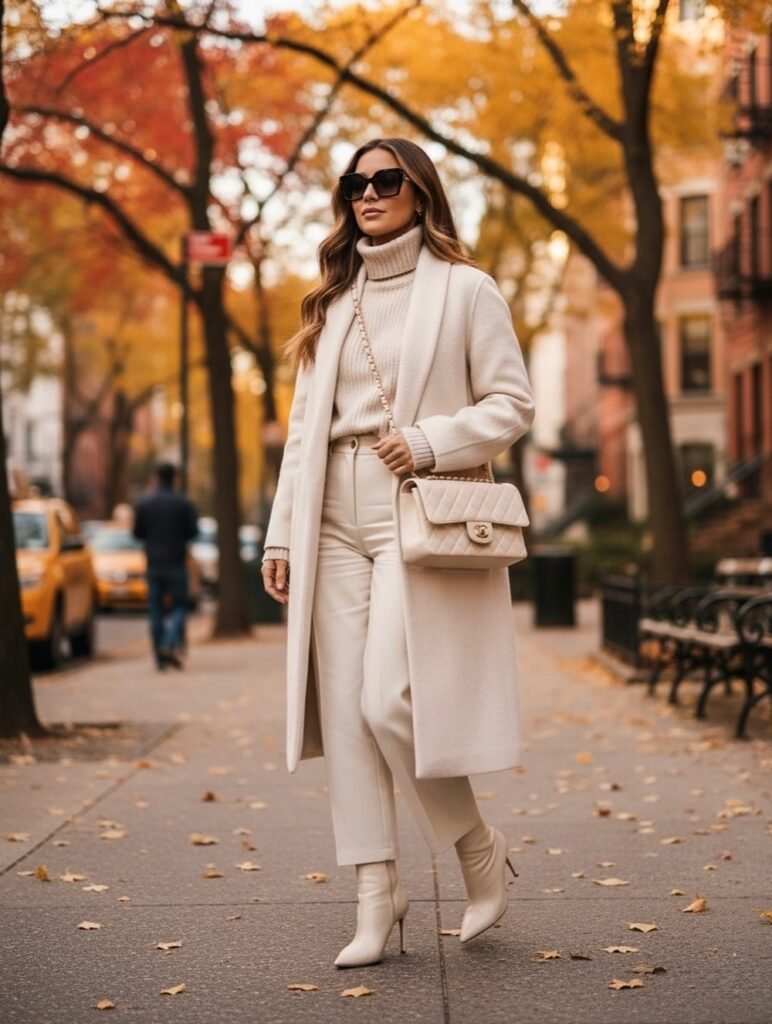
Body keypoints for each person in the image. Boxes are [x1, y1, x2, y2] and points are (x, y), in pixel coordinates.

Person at [261, 137, 535, 969]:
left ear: (419, 191)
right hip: (328, 517)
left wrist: (426, 439)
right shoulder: (334, 305)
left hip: (408, 508)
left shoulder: (465, 290)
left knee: (387, 703)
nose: (369, 194)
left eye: (386, 181)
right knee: (345, 715)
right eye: (356, 183)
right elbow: (305, 431)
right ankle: (377, 897)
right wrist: (281, 531)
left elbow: (512, 403)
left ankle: (476, 849)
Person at [133, 462, 198, 671]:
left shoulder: (145, 503)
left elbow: (137, 533)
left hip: (154, 564)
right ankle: (169, 644)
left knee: (155, 609)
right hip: (177, 562)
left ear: (157, 477)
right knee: (180, 606)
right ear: (174, 478)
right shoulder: (183, 503)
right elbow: (193, 532)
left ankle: (160, 651)